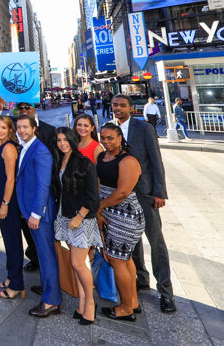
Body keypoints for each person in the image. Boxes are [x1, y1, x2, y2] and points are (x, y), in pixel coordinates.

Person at [111, 94, 175, 313]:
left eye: (122, 105)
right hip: (123, 197)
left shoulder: (144, 128)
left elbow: (156, 160)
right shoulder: (111, 129)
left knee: (156, 241)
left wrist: (159, 192)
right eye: (114, 105)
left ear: (131, 108)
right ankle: (141, 277)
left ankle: (166, 292)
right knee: (131, 240)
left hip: (146, 193)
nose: (118, 109)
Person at [0, 98, 57, 276]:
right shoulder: (14, 131)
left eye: (28, 106)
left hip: (36, 199)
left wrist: (37, 209)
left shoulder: (47, 132)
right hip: (18, 199)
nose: (24, 109)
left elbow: (48, 171)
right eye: (21, 108)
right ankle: (35, 262)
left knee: (44, 247)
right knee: (25, 236)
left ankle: (50, 294)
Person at [96, 123, 145, 322]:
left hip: (126, 215)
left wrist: (99, 207)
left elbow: (122, 193)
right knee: (125, 259)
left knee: (117, 260)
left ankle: (125, 308)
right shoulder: (102, 156)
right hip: (110, 213)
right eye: (103, 138)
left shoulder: (128, 160)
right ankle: (132, 301)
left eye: (110, 138)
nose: (106, 142)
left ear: (119, 138)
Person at [53, 127, 102, 325]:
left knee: (78, 264)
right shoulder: (60, 160)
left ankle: (90, 303)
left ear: (73, 140)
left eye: (66, 139)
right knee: (77, 264)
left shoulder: (84, 163)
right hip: (66, 215)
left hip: (81, 219)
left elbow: (93, 197)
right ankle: (81, 302)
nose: (62, 143)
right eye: (59, 140)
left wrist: (79, 217)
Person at [15, 115, 60, 318]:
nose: (22, 130)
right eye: (19, 127)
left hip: (39, 213)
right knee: (42, 255)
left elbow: (43, 185)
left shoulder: (40, 151)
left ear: (34, 128)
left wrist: (35, 214)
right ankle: (47, 288)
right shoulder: (26, 146)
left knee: (46, 255)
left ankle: (51, 301)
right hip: (30, 209)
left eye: (26, 127)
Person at [0, 117, 24, 300]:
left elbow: (11, 179)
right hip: (2, 198)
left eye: (4, 128)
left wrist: (5, 203)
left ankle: (17, 284)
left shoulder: (9, 148)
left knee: (13, 242)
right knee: (9, 241)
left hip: (9, 202)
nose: (0, 131)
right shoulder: (0, 145)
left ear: (11, 130)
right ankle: (11, 277)